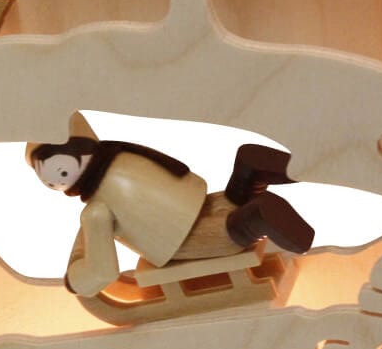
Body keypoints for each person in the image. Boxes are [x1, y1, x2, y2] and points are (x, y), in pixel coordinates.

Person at [28, 118, 314, 297]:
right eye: (48, 180)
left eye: (59, 171)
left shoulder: (97, 209)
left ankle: (261, 212)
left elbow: (102, 270)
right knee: (239, 193)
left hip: (184, 241)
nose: (56, 181)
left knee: (237, 225)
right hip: (201, 206)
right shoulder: (121, 155)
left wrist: (76, 281)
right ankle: (254, 174)